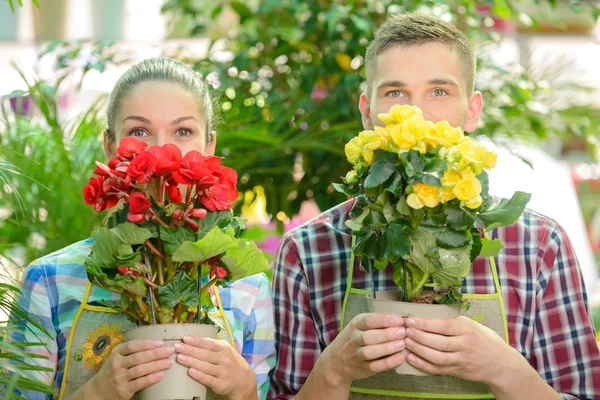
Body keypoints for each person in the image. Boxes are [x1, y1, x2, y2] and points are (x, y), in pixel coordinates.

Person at [269, 13, 600, 400]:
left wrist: (504, 369)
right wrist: (335, 370)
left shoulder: (540, 245)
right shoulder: (308, 251)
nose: (417, 113)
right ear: (367, 111)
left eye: (439, 91)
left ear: (472, 110)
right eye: (395, 93)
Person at [11, 57, 275, 400]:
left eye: (183, 132)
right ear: (110, 145)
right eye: (139, 132)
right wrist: (98, 393)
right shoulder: (48, 281)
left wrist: (245, 391)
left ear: (209, 146)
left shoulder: (248, 287)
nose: (161, 150)